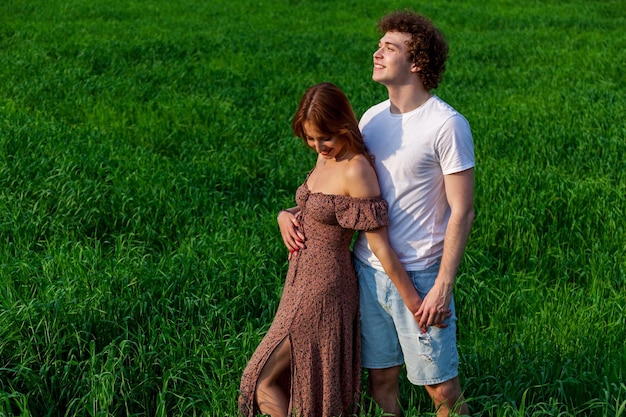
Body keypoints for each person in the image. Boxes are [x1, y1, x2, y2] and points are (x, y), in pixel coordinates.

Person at [239, 82, 425, 417]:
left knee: (258, 379)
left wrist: (414, 302)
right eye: (310, 138)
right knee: (278, 379)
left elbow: (379, 244)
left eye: (324, 136)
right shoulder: (326, 158)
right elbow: (316, 207)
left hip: (324, 288)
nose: (317, 145)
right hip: (297, 283)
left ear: (342, 125)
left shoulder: (356, 169)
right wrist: (284, 215)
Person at [353, 10, 476, 416]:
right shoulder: (370, 118)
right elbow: (340, 184)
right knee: (381, 382)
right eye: (379, 45)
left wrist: (442, 285)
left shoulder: (446, 125)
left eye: (390, 48)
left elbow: (463, 209)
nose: (377, 53)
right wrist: (290, 212)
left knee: (442, 391)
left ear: (417, 62)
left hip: (421, 278)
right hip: (368, 271)